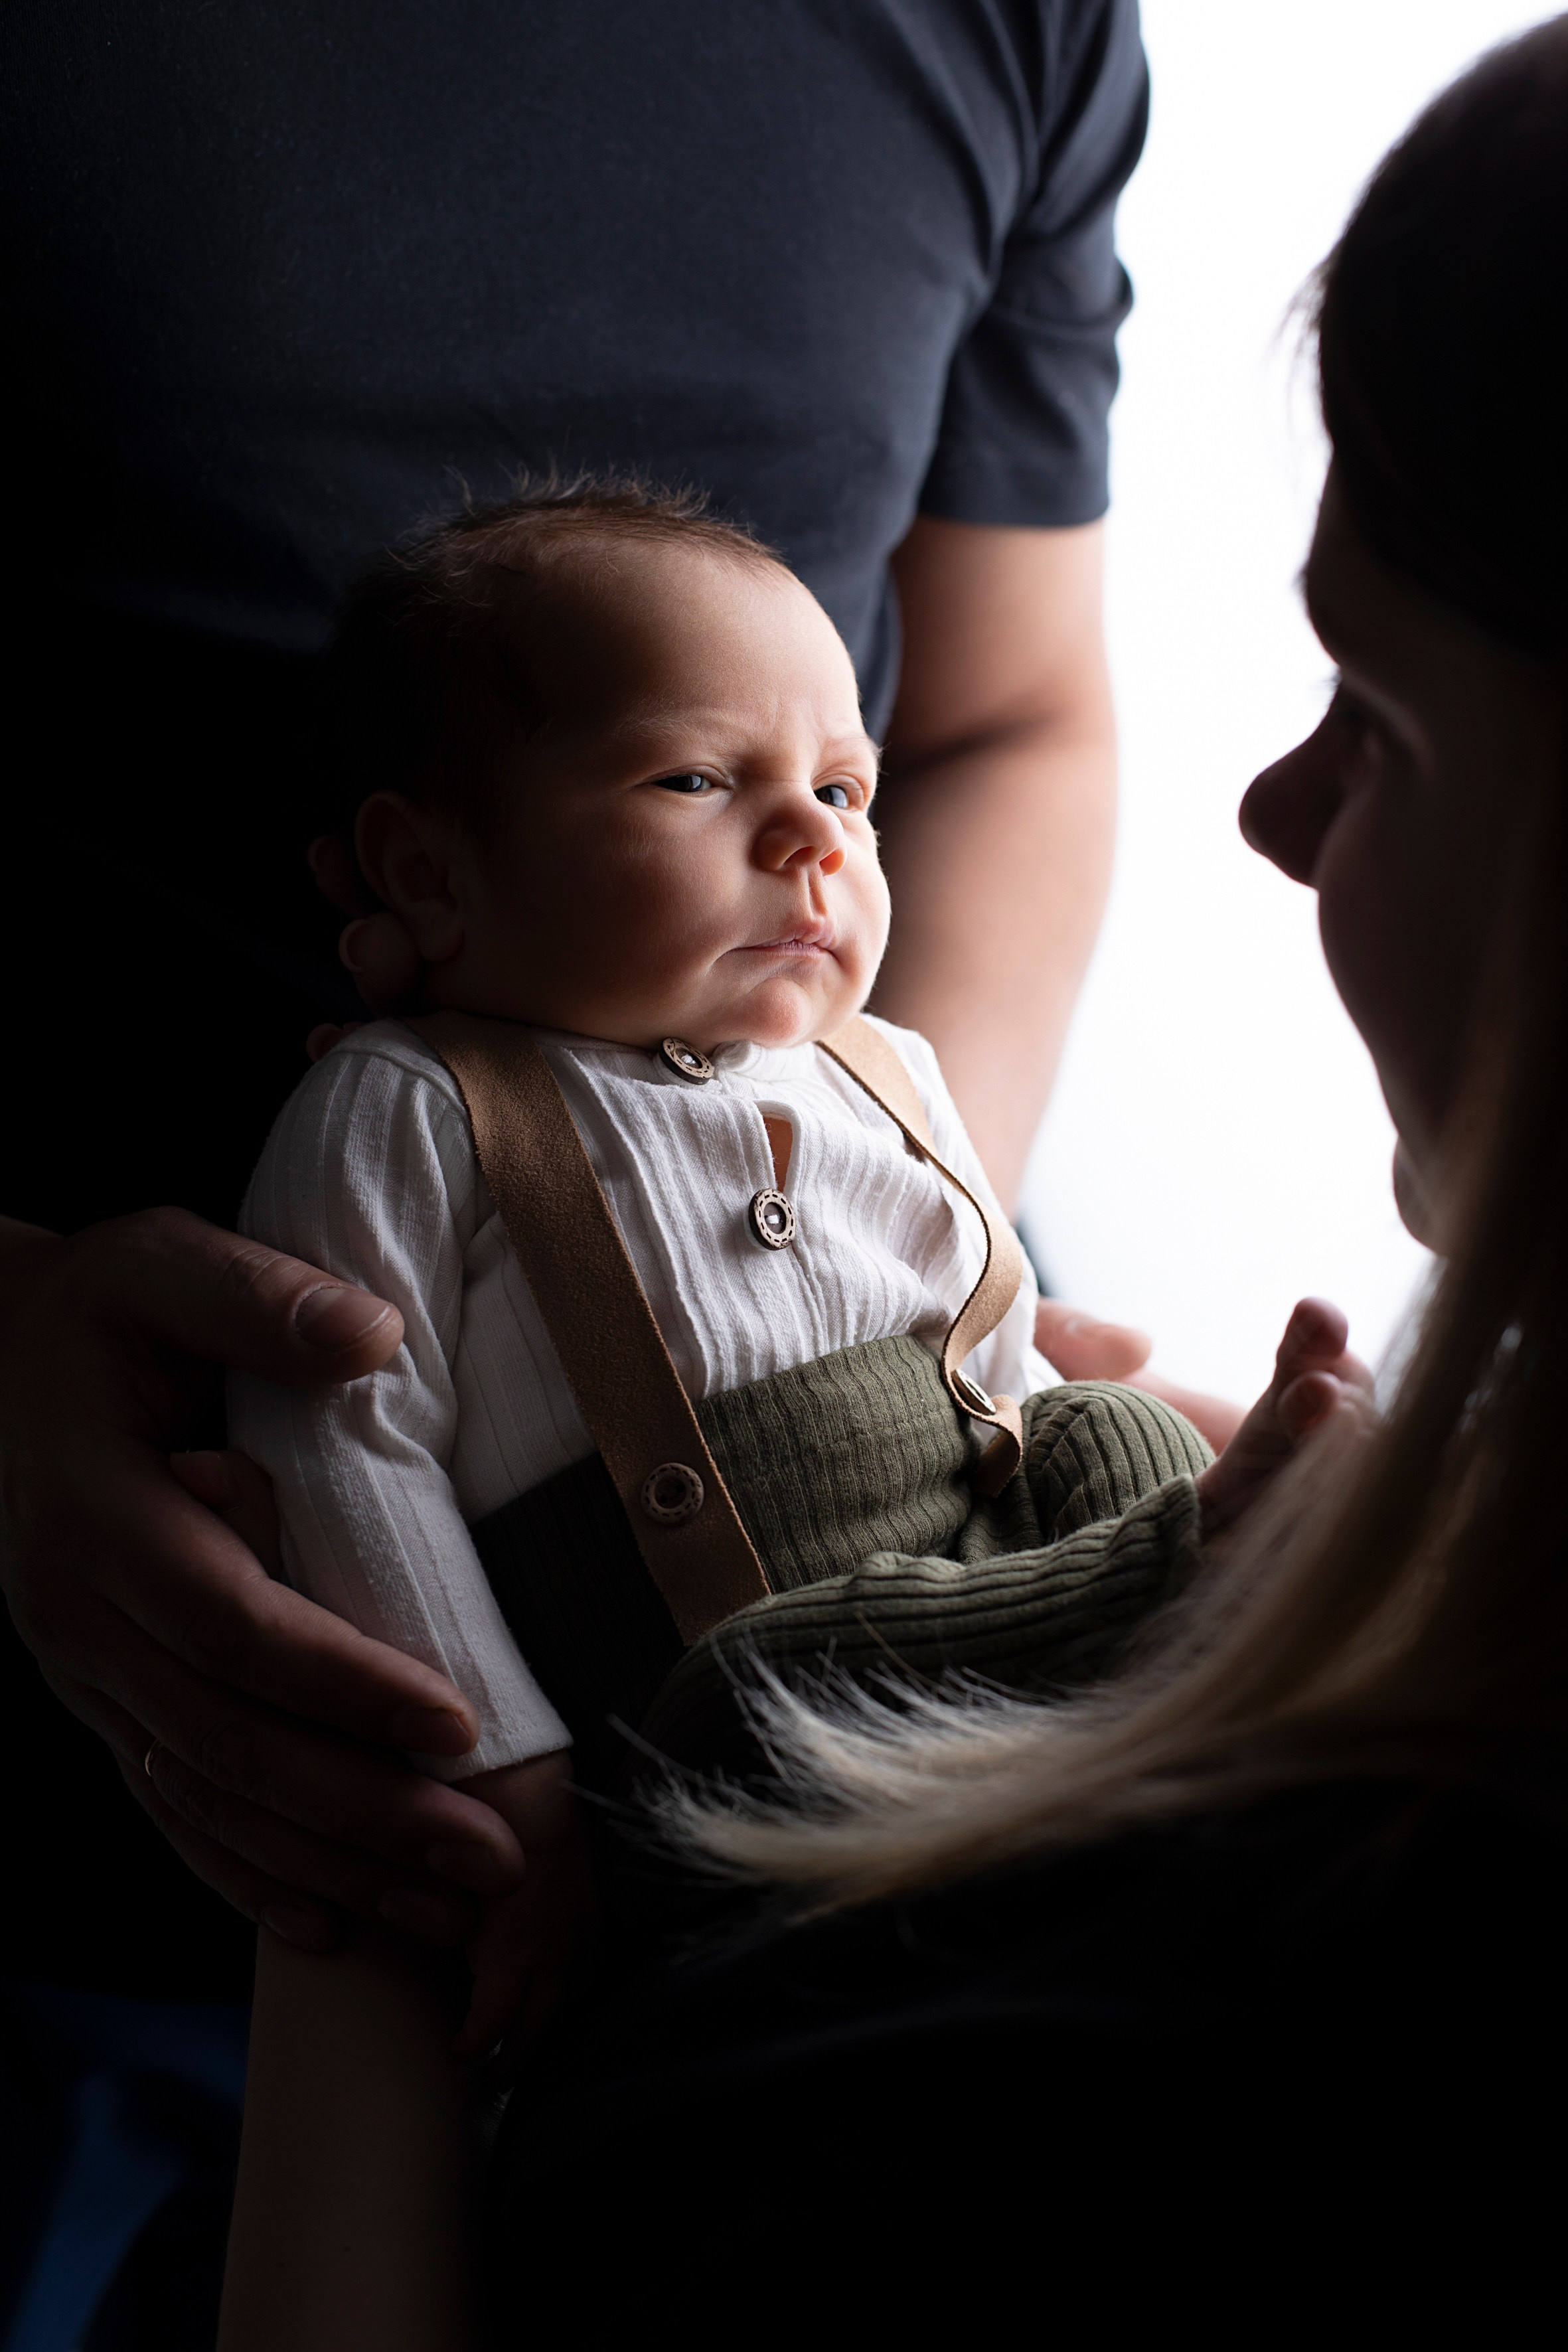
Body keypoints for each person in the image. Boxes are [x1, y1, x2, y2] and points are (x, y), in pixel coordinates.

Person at [215, 17, 1568, 2339]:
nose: (834, 846)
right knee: (778, 1694)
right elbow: (343, 1429)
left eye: (1384, 712)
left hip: (699, 1851)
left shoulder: (951, 2085)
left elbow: (1006, 736)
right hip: (555, 1739)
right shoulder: (415, 1120)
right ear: (424, 873)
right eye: (698, 782)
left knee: (1021, 1526)